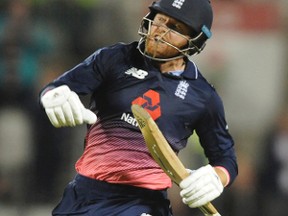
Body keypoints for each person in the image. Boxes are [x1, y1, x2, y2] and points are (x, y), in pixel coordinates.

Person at [39, 0, 238, 215]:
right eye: (160, 20)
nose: (160, 31)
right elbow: (59, 87)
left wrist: (217, 177)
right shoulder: (113, 58)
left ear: (195, 40)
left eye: (174, 28)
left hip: (143, 202)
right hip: (84, 193)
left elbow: (225, 159)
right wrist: (52, 95)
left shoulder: (203, 95)